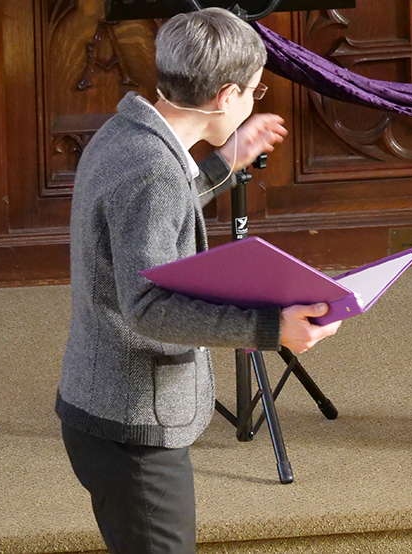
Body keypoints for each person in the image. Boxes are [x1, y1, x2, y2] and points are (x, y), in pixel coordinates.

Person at [55, 8, 341, 553]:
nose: (255, 101)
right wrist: (269, 327)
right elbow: (147, 306)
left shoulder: (126, 131)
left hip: (103, 403)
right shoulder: (154, 172)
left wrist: (223, 162)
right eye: (254, 92)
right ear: (225, 96)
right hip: (132, 424)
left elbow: (153, 221)